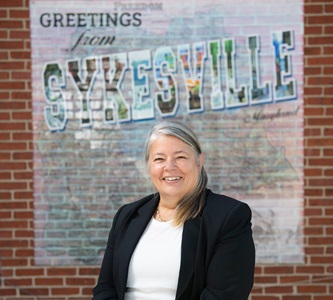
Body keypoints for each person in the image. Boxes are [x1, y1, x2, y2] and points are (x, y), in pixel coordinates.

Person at [92, 120, 255, 300]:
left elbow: (223, 295)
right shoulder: (127, 216)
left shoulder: (228, 217)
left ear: (199, 160)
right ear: (149, 166)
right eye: (159, 159)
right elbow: (105, 289)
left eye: (180, 157)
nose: (169, 167)